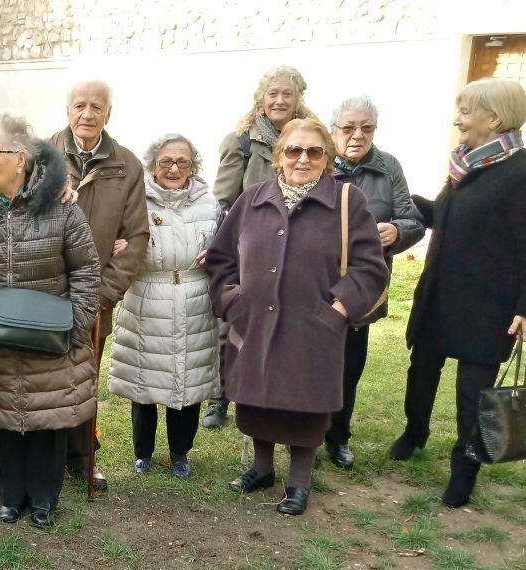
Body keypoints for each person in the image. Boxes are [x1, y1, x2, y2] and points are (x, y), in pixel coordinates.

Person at [206, 118, 387, 516]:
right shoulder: (252, 198)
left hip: (314, 325)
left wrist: (338, 309)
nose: (302, 159)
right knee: (258, 400)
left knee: (307, 404)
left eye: (314, 152)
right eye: (293, 150)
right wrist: (233, 299)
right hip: (254, 321)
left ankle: (299, 481)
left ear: (328, 158)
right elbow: (221, 258)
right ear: (278, 156)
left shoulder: (346, 201)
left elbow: (371, 269)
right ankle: (261, 468)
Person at [389, 78, 526, 508]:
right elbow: (453, 220)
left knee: (474, 393)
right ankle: (415, 433)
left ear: (495, 119)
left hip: (489, 306)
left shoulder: (520, 172)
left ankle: (465, 469)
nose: (457, 120)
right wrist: (408, 204)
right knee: (422, 368)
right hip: (440, 296)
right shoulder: (466, 165)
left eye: (466, 112)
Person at [0, 114, 100, 528]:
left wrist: (74, 326)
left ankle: (44, 499)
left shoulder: (61, 210)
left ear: (20, 160)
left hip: (52, 336)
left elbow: (87, 270)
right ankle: (10, 497)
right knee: (5, 419)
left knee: (49, 419)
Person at [205, 65, 319, 430]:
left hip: (297, 248)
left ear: (299, 98)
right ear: (262, 99)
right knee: (232, 326)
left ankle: (278, 397)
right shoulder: (241, 140)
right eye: (273, 93)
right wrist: (217, 245)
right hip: (248, 248)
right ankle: (220, 398)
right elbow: (223, 200)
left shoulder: (313, 139)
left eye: (287, 93)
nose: (280, 100)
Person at [48, 79, 149, 492]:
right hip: (45, 294)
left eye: (97, 107)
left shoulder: (126, 165)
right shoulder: (39, 156)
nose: (87, 114)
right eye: (80, 105)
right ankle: (47, 459)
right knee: (46, 381)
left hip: (95, 299)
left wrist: (102, 294)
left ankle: (82, 458)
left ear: (110, 113)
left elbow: (136, 238)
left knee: (83, 379)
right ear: (67, 109)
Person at [108, 133, 221, 478]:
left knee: (189, 383)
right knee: (143, 381)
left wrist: (218, 252)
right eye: (165, 162)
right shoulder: (135, 199)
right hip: (146, 296)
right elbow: (114, 235)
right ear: (153, 165)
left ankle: (180, 454)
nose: (174, 168)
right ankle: (143, 452)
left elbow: (227, 242)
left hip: (194, 297)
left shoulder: (209, 202)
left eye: (182, 162)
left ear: (193, 166)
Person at [326, 96, 425, 469]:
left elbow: (412, 219)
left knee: (350, 367)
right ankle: (305, 435)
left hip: (365, 287)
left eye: (366, 128)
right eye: (348, 128)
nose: (357, 135)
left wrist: (396, 231)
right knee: (313, 363)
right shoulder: (318, 162)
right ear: (334, 130)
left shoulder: (388, 167)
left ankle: (338, 438)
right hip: (318, 284)